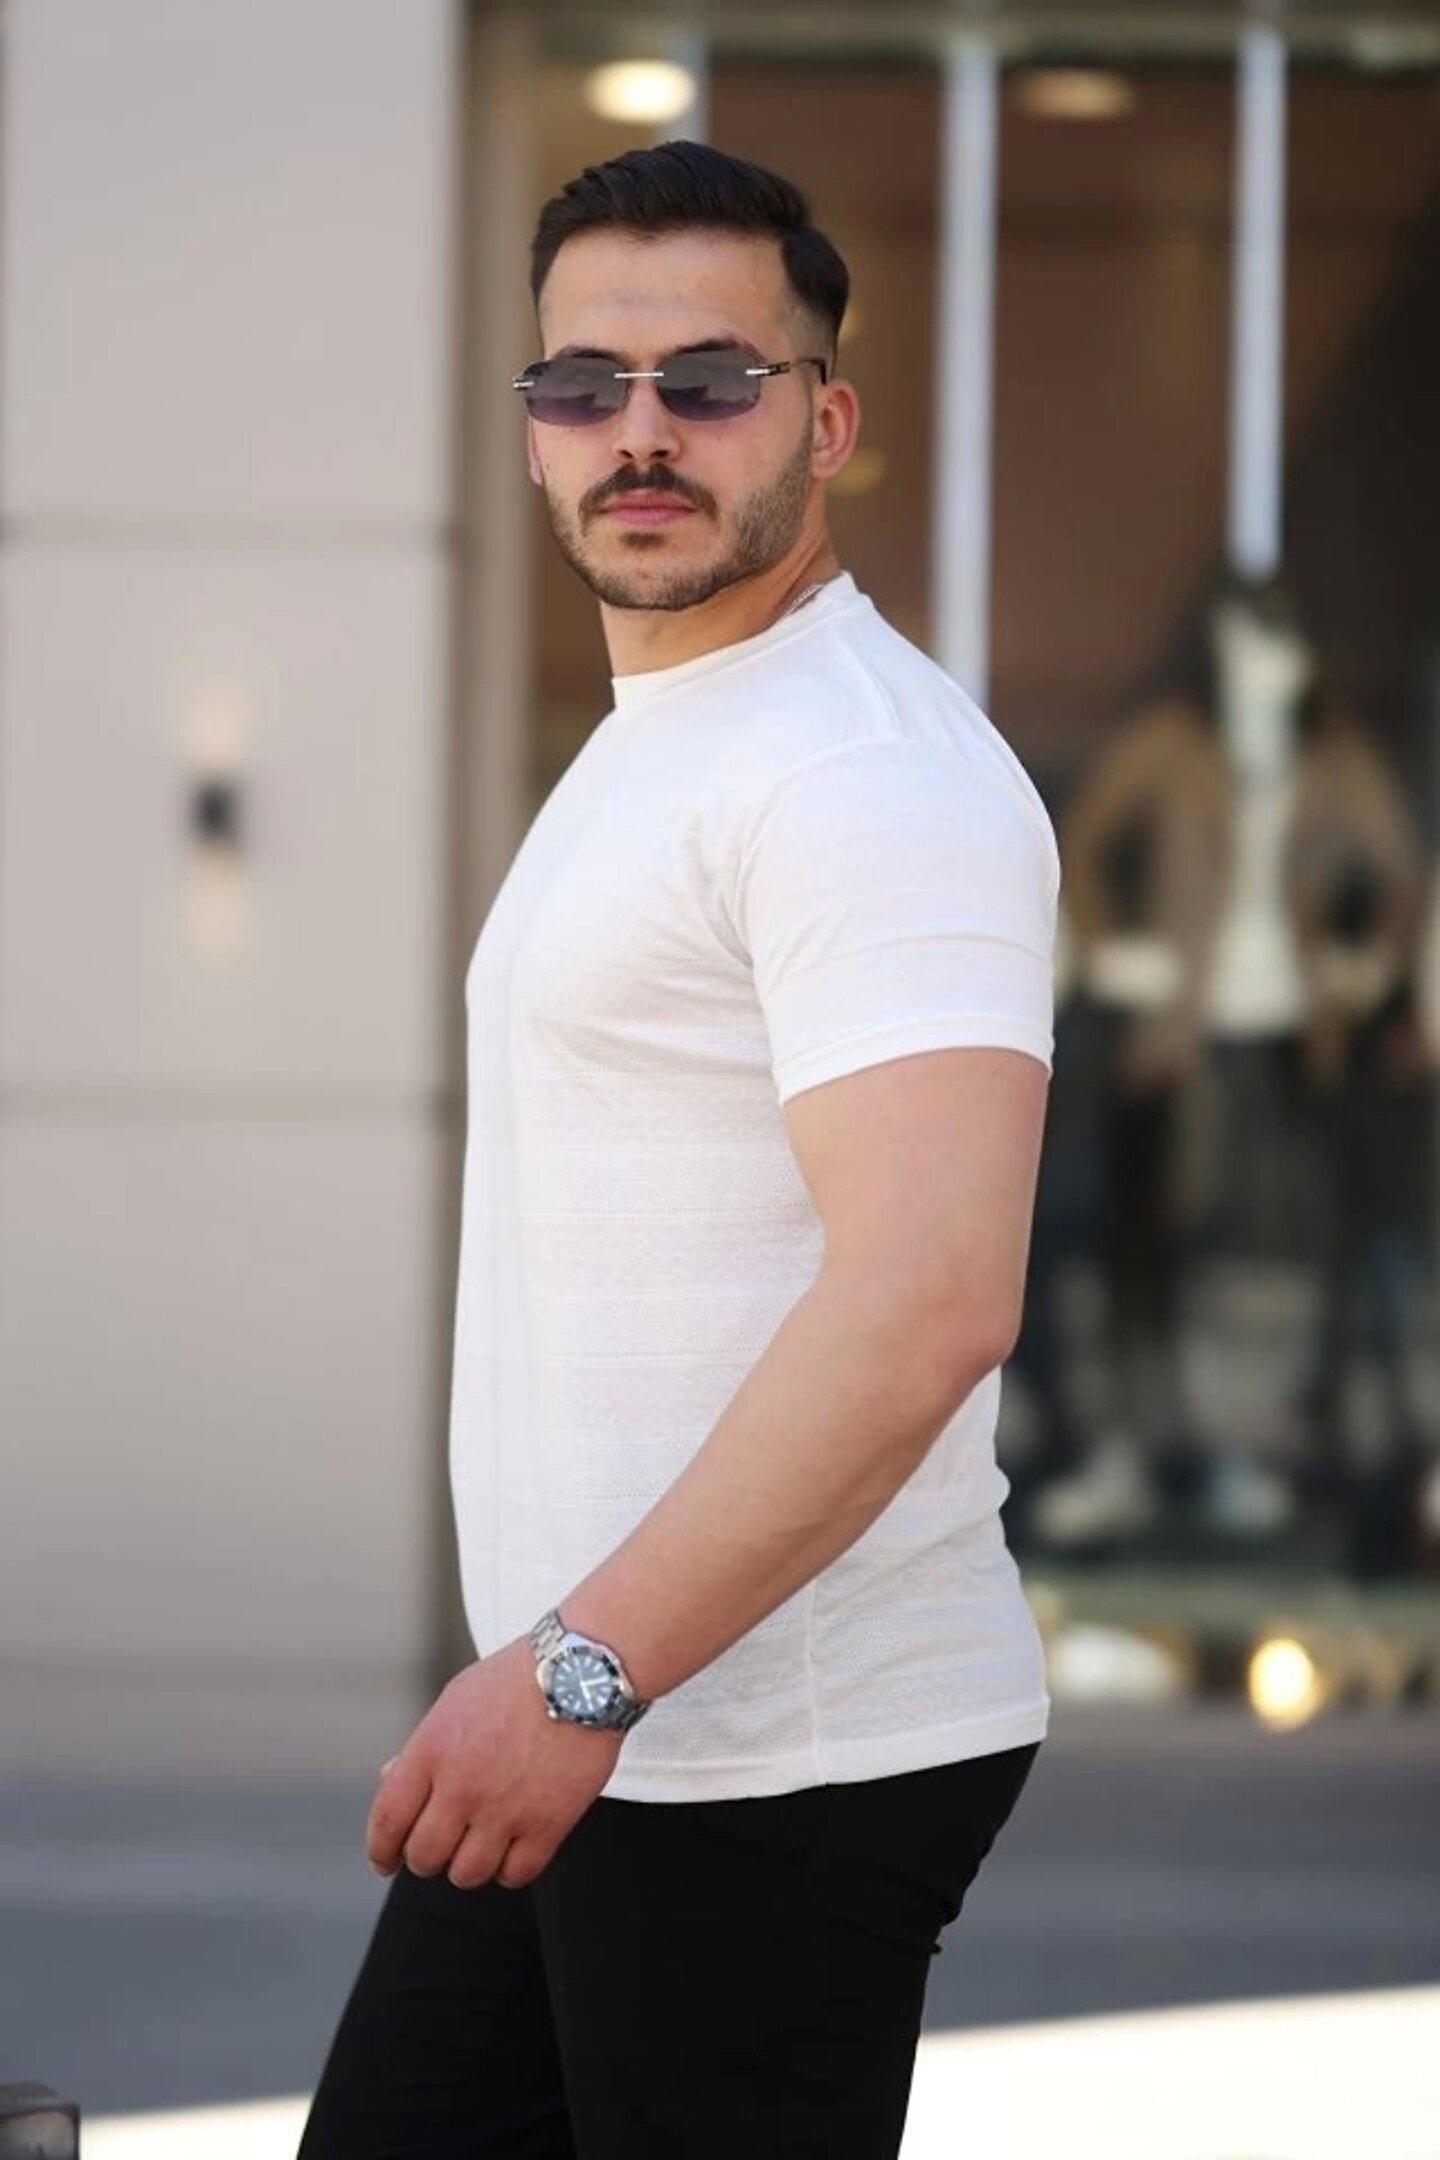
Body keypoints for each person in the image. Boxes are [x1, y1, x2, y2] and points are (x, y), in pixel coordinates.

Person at [298, 139, 1058, 2160]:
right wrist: (564, 1686)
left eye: (710, 380)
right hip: (608, 1727)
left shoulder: (863, 775)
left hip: (761, 1757)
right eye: (583, 384)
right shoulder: (675, 731)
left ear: (828, 421)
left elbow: (930, 1296)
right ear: (534, 429)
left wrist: (577, 1673)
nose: (639, 432)